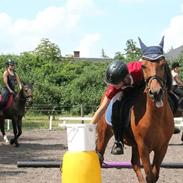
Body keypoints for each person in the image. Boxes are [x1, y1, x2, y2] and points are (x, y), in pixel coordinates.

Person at [91, 36, 173, 155]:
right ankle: (118, 140)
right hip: (127, 91)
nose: (113, 86)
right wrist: (89, 126)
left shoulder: (139, 69)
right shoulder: (114, 88)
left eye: (116, 84)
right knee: (117, 106)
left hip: (142, 85)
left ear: (124, 78)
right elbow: (102, 108)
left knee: (163, 95)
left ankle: (168, 125)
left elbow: (155, 70)